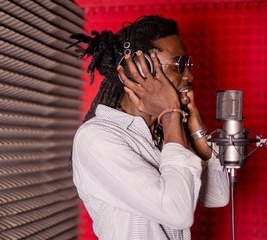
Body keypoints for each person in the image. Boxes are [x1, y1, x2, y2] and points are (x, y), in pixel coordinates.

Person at [69, 15, 230, 240]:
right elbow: (176, 212)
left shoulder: (163, 136)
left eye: (188, 64)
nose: (190, 75)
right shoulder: (96, 138)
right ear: (140, 71)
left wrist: (195, 126)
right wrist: (171, 114)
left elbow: (218, 195)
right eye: (179, 64)